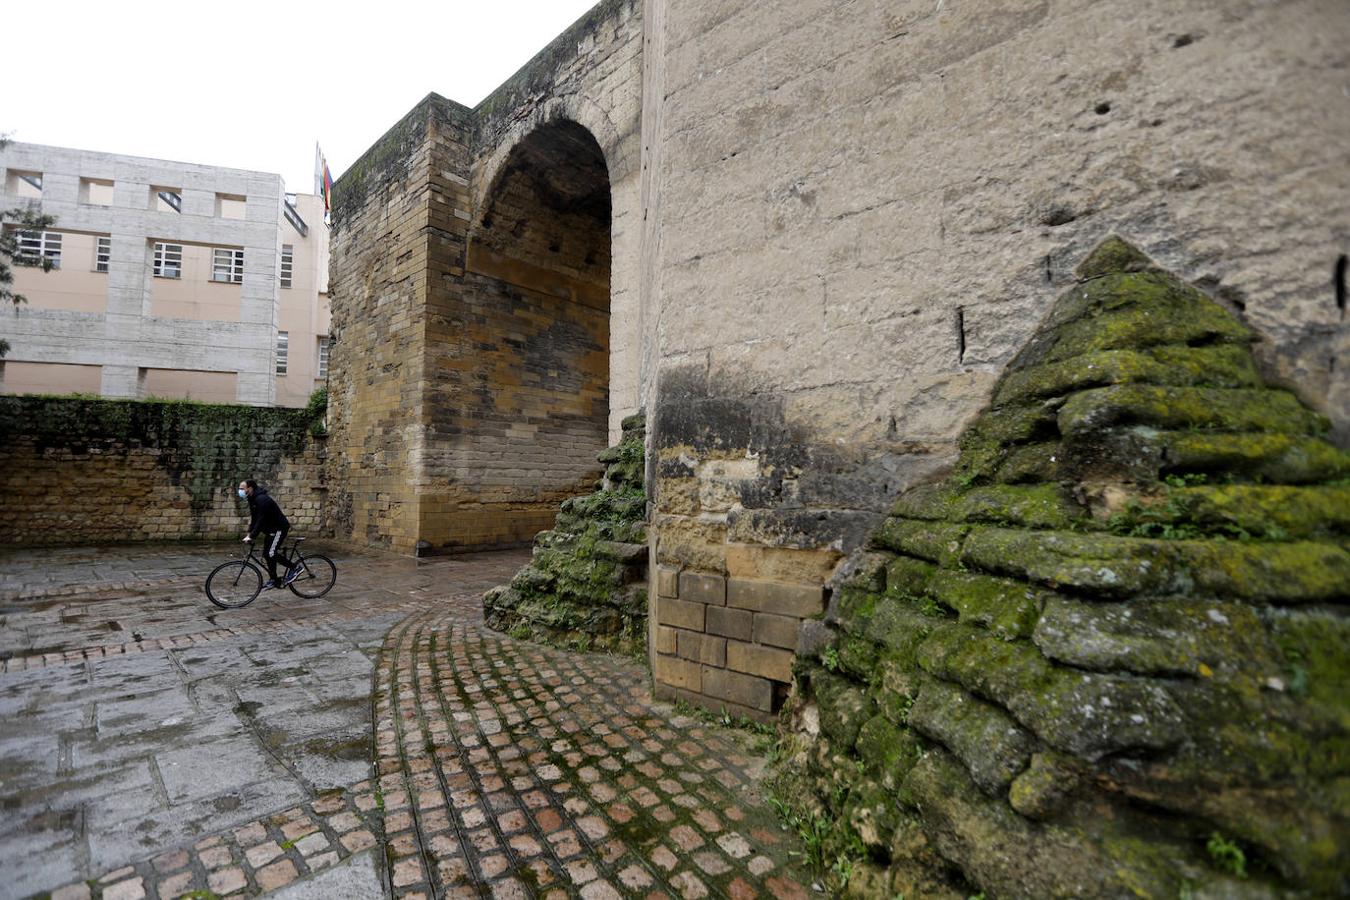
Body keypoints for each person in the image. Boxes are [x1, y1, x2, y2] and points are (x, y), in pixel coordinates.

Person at [238, 479, 293, 590]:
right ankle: (274, 580)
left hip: (279, 528)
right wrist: (249, 533)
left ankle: (295, 567)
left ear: (250, 488)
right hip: (270, 530)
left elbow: (261, 520)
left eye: (242, 489)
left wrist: (252, 536)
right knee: (267, 554)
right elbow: (254, 519)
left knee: (271, 553)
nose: (240, 491)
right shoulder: (252, 499)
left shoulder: (262, 499)